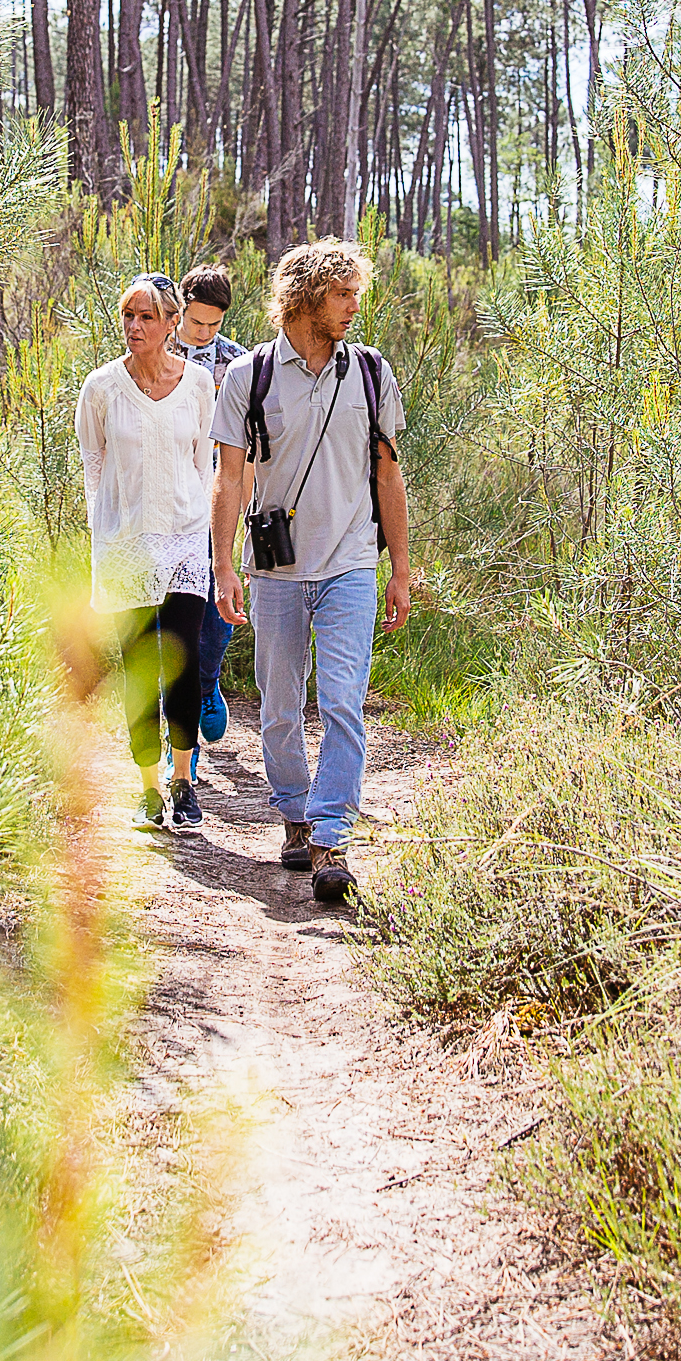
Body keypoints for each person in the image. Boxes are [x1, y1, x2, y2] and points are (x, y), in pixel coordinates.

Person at [208, 239, 413, 908]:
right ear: (304, 298)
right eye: (342, 294)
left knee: (343, 700)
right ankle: (294, 810)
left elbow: (388, 474)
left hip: (351, 562)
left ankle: (330, 836)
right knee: (278, 704)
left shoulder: (371, 372)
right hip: (277, 568)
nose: (353, 306)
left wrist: (400, 567)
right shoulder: (251, 376)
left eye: (355, 293)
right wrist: (223, 565)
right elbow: (230, 478)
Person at [77, 273, 224, 831]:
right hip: (126, 544)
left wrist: (199, 529)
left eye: (146, 317)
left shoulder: (199, 385)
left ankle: (183, 781)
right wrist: (110, 531)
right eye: (128, 315)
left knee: (181, 661)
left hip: (185, 540)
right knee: (139, 666)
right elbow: (94, 465)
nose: (134, 326)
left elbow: (204, 463)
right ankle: (148, 788)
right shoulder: (102, 387)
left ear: (171, 324)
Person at [170, 266, 245, 755]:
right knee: (172, 610)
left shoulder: (236, 362)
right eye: (196, 322)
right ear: (180, 310)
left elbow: (250, 443)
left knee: (218, 604)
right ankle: (177, 736)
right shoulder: (157, 350)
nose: (204, 332)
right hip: (166, 499)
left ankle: (206, 683)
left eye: (213, 324)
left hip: (217, 498)